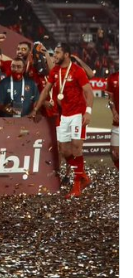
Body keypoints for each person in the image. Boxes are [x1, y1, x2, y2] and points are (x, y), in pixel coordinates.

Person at [30, 44, 94, 198]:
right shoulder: (55, 71)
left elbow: (89, 92)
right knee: (64, 151)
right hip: (64, 115)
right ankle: (83, 176)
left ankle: (76, 186)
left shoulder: (77, 71)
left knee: (76, 147)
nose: (55, 56)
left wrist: (88, 112)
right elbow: (46, 90)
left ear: (66, 54)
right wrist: (36, 108)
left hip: (78, 114)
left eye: (57, 53)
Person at [106, 70, 119, 169]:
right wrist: (114, 112)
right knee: (114, 154)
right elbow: (110, 99)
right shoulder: (112, 77)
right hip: (118, 121)